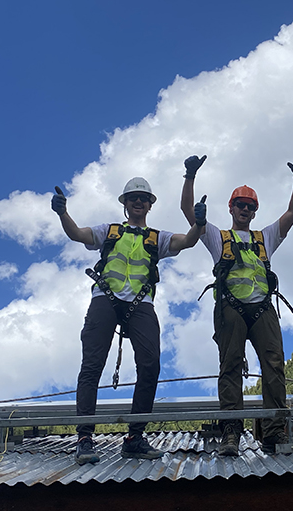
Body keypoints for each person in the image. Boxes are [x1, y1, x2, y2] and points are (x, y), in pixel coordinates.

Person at [51, 177, 205, 464]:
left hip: (140, 302)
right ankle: (84, 438)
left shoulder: (156, 237)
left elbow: (186, 241)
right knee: (92, 365)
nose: (138, 201)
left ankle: (135, 437)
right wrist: (63, 213)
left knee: (150, 363)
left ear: (149, 205)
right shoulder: (109, 231)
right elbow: (78, 234)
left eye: (143, 198)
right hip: (105, 298)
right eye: (133, 197)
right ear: (125, 203)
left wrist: (198, 224)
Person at [180, 155, 293, 455]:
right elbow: (188, 211)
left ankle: (274, 433)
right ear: (231, 207)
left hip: (263, 308)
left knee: (274, 367)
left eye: (250, 207)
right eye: (240, 205)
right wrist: (189, 175)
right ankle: (231, 433)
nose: (246, 210)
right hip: (231, 309)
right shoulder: (217, 236)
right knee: (230, 367)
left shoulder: (266, 238)